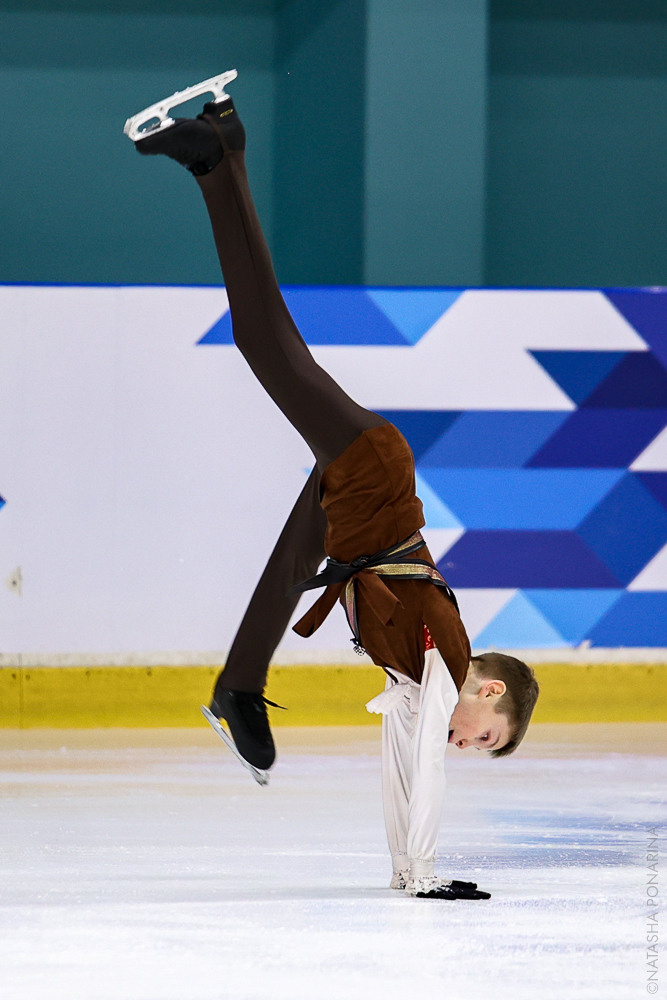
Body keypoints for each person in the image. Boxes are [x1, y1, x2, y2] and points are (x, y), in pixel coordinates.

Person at [128, 74, 539, 900]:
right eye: (487, 738)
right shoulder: (442, 658)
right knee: (263, 341)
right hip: (373, 480)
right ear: (487, 691)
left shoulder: (413, 682)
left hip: (358, 518)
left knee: (287, 572)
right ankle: (216, 160)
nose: (470, 748)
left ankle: (238, 686)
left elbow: (401, 760)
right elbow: (423, 764)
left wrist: (405, 874)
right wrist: (423, 878)